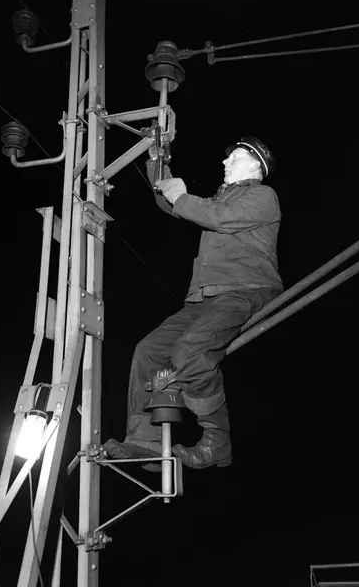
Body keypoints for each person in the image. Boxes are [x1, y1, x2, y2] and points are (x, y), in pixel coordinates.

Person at [103, 136, 283, 470]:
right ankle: (144, 441)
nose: (225, 162)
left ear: (255, 165)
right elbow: (174, 204)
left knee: (190, 352)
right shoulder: (221, 199)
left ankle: (217, 443)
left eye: (235, 158)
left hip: (245, 289)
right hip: (206, 297)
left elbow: (217, 217)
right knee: (149, 351)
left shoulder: (262, 196)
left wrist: (182, 196)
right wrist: (158, 163)